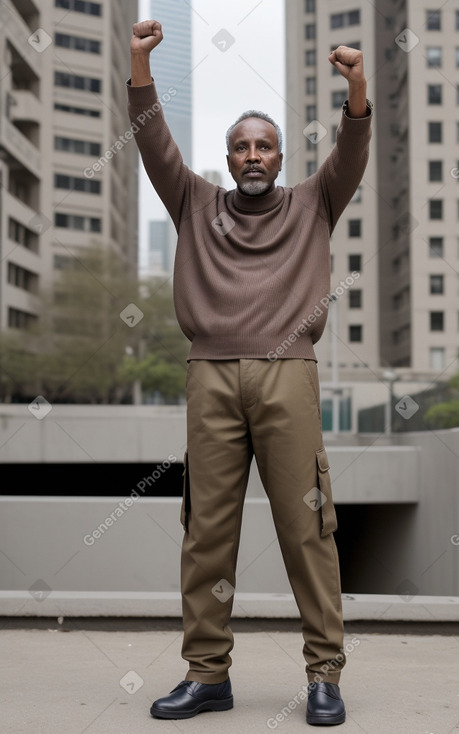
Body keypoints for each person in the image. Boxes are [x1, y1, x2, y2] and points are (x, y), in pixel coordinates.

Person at [127, 19, 372, 726]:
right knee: (206, 530)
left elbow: (353, 147)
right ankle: (207, 677)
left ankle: (323, 676)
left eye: (264, 145)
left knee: (308, 528)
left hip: (286, 376)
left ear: (280, 154)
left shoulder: (313, 202)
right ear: (228, 159)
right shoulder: (194, 203)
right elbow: (151, 140)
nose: (253, 155)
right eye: (241, 147)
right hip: (209, 376)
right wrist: (139, 64)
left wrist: (355, 85)